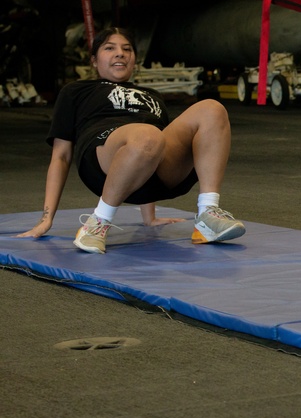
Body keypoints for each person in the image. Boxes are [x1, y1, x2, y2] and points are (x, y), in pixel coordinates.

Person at [16, 26, 245, 253]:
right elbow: (61, 156)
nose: (120, 53)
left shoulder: (152, 95)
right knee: (147, 134)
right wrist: (47, 219)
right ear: (94, 60)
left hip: (154, 165)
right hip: (103, 156)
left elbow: (155, 148)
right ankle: (98, 222)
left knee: (212, 109)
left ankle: (208, 216)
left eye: (127, 49)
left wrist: (150, 218)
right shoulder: (76, 90)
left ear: (134, 59)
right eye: (110, 48)